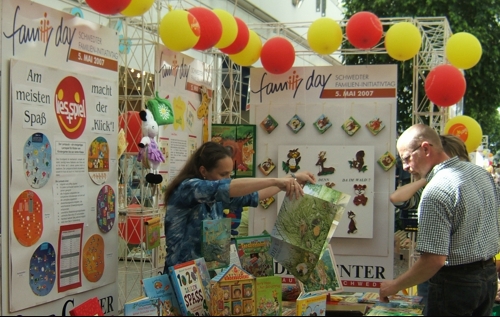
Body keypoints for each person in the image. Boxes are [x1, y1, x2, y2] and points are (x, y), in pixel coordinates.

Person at [380, 124, 500, 316]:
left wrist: (394, 285)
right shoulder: (481, 175)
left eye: (407, 158)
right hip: (488, 278)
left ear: (426, 148)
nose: (405, 167)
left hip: (455, 285)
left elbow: (434, 259)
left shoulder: (436, 190)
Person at [163, 141, 316, 270]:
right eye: (223, 175)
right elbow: (226, 187)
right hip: (182, 277)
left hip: (207, 275)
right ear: (203, 170)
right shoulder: (188, 188)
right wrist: (276, 180)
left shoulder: (217, 195)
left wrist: (292, 179)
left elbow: (256, 194)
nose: (228, 179)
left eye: (230, 174)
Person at [389, 134, 471, 316]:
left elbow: (436, 259)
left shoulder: (455, 187)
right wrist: (430, 178)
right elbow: (397, 198)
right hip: (449, 275)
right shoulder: (434, 186)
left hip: (448, 274)